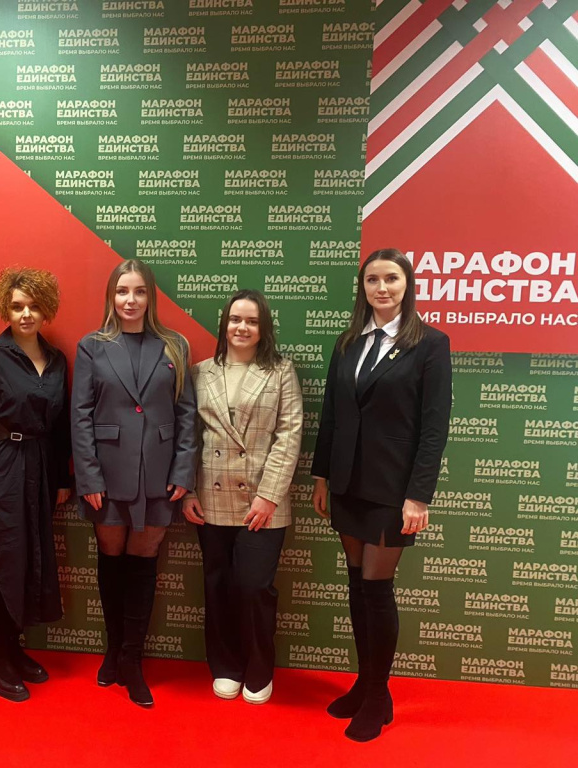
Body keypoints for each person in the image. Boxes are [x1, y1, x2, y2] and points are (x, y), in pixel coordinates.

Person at [312, 248, 452, 741]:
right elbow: (332, 414)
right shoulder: (348, 341)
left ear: (407, 284)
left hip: (393, 489)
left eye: (391, 278)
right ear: (363, 287)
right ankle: (364, 683)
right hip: (347, 483)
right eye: (372, 279)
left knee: (376, 588)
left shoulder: (430, 344)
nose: (382, 288)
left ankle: (378, 696)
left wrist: (419, 496)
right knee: (356, 585)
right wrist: (322, 476)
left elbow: (434, 428)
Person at [71, 259, 196, 707]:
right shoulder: (92, 346)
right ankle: (113, 651)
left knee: (143, 564)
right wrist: (88, 475)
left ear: (150, 297)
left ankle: (132, 660)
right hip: (105, 475)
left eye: (139, 291)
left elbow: (186, 414)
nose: (130, 300)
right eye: (123, 291)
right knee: (112, 560)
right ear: (111, 296)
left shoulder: (174, 345)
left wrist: (183, 471)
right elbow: (80, 416)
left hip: (159, 475)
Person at [182, 290, 303, 705]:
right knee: (217, 585)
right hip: (210, 496)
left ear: (263, 327)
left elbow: (289, 435)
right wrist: (188, 490)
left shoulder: (281, 371)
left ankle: (259, 669)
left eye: (252, 321)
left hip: (262, 500)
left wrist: (269, 495)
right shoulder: (201, 372)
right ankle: (225, 666)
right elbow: (188, 437)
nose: (242, 327)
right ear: (224, 323)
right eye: (235, 319)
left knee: (254, 587)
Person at [0, 267, 72, 703]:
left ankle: (13, 649)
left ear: (46, 311)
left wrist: (61, 478)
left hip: (40, 467)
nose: (26, 314)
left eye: (34, 306)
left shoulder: (57, 360)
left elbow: (60, 428)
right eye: (17, 306)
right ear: (5, 310)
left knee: (31, 560)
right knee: (4, 561)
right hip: (0, 464)